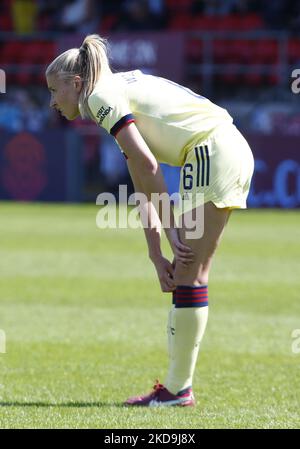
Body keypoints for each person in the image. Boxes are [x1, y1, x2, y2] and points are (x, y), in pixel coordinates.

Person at [45, 34, 254, 407]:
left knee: (189, 272)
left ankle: (177, 391)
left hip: (211, 150)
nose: (52, 102)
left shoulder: (98, 97)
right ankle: (177, 388)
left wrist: (171, 229)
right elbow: (141, 179)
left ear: (75, 84)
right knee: (187, 273)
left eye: (54, 91)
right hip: (219, 148)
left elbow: (148, 164)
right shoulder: (108, 93)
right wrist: (155, 252)